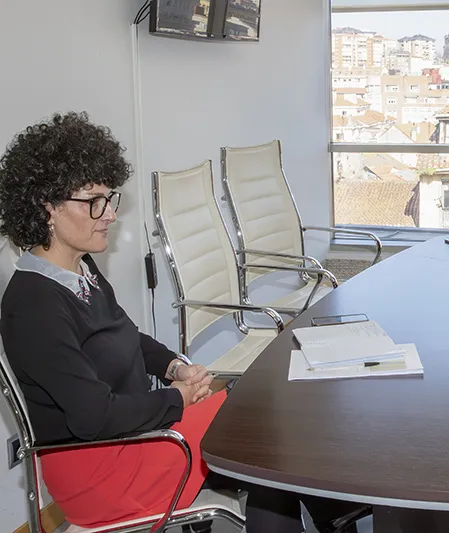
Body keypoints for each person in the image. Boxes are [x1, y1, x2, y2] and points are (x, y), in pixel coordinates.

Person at [0, 112, 362, 531]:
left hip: (136, 435)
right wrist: (178, 398)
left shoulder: (80, 268)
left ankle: (334, 516)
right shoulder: (32, 305)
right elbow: (92, 418)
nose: (110, 214)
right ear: (47, 207)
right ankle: (335, 514)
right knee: (259, 438)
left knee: (262, 426)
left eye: (108, 198)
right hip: (102, 469)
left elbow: (128, 336)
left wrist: (176, 366)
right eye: (93, 201)